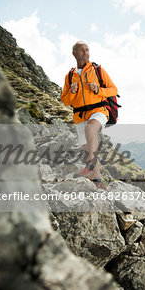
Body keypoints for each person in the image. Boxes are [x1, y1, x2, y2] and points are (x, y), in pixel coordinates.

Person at [60, 41, 118, 189]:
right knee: (88, 148)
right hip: (80, 115)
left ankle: (89, 165)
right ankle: (98, 182)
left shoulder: (97, 69)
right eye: (82, 50)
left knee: (90, 130)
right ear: (74, 54)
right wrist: (72, 92)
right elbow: (65, 100)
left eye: (87, 50)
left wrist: (99, 90)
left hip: (99, 110)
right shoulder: (70, 75)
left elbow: (113, 90)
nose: (85, 53)